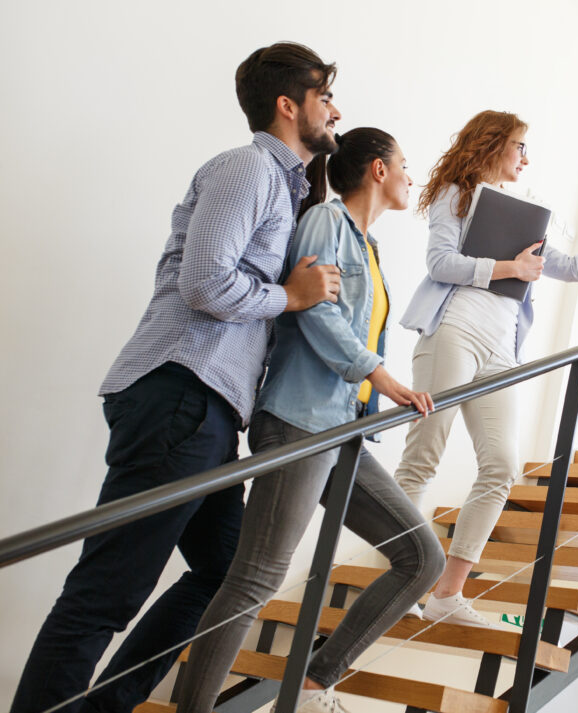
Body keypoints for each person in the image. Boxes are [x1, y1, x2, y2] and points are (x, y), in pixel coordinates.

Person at [12, 43, 343, 713]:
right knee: (106, 592)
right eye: (326, 97)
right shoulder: (249, 167)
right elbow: (205, 283)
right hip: (181, 394)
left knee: (227, 573)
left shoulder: (287, 187)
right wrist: (290, 296)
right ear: (288, 106)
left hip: (205, 408)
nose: (336, 111)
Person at [175, 127, 445, 713]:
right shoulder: (325, 221)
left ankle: (314, 683)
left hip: (342, 431)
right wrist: (380, 375)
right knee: (256, 577)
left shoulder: (369, 248)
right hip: (300, 419)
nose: (410, 176)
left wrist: (372, 389)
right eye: (404, 164)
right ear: (378, 169)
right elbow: (316, 312)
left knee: (422, 557)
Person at [395, 110, 578, 628]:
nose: (525, 159)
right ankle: (400, 582)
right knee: (424, 455)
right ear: (493, 144)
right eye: (520, 146)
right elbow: (440, 263)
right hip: (454, 330)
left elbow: (573, 269)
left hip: (501, 351)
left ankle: (447, 594)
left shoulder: (521, 217)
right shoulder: (456, 194)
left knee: (501, 466)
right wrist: (509, 268)